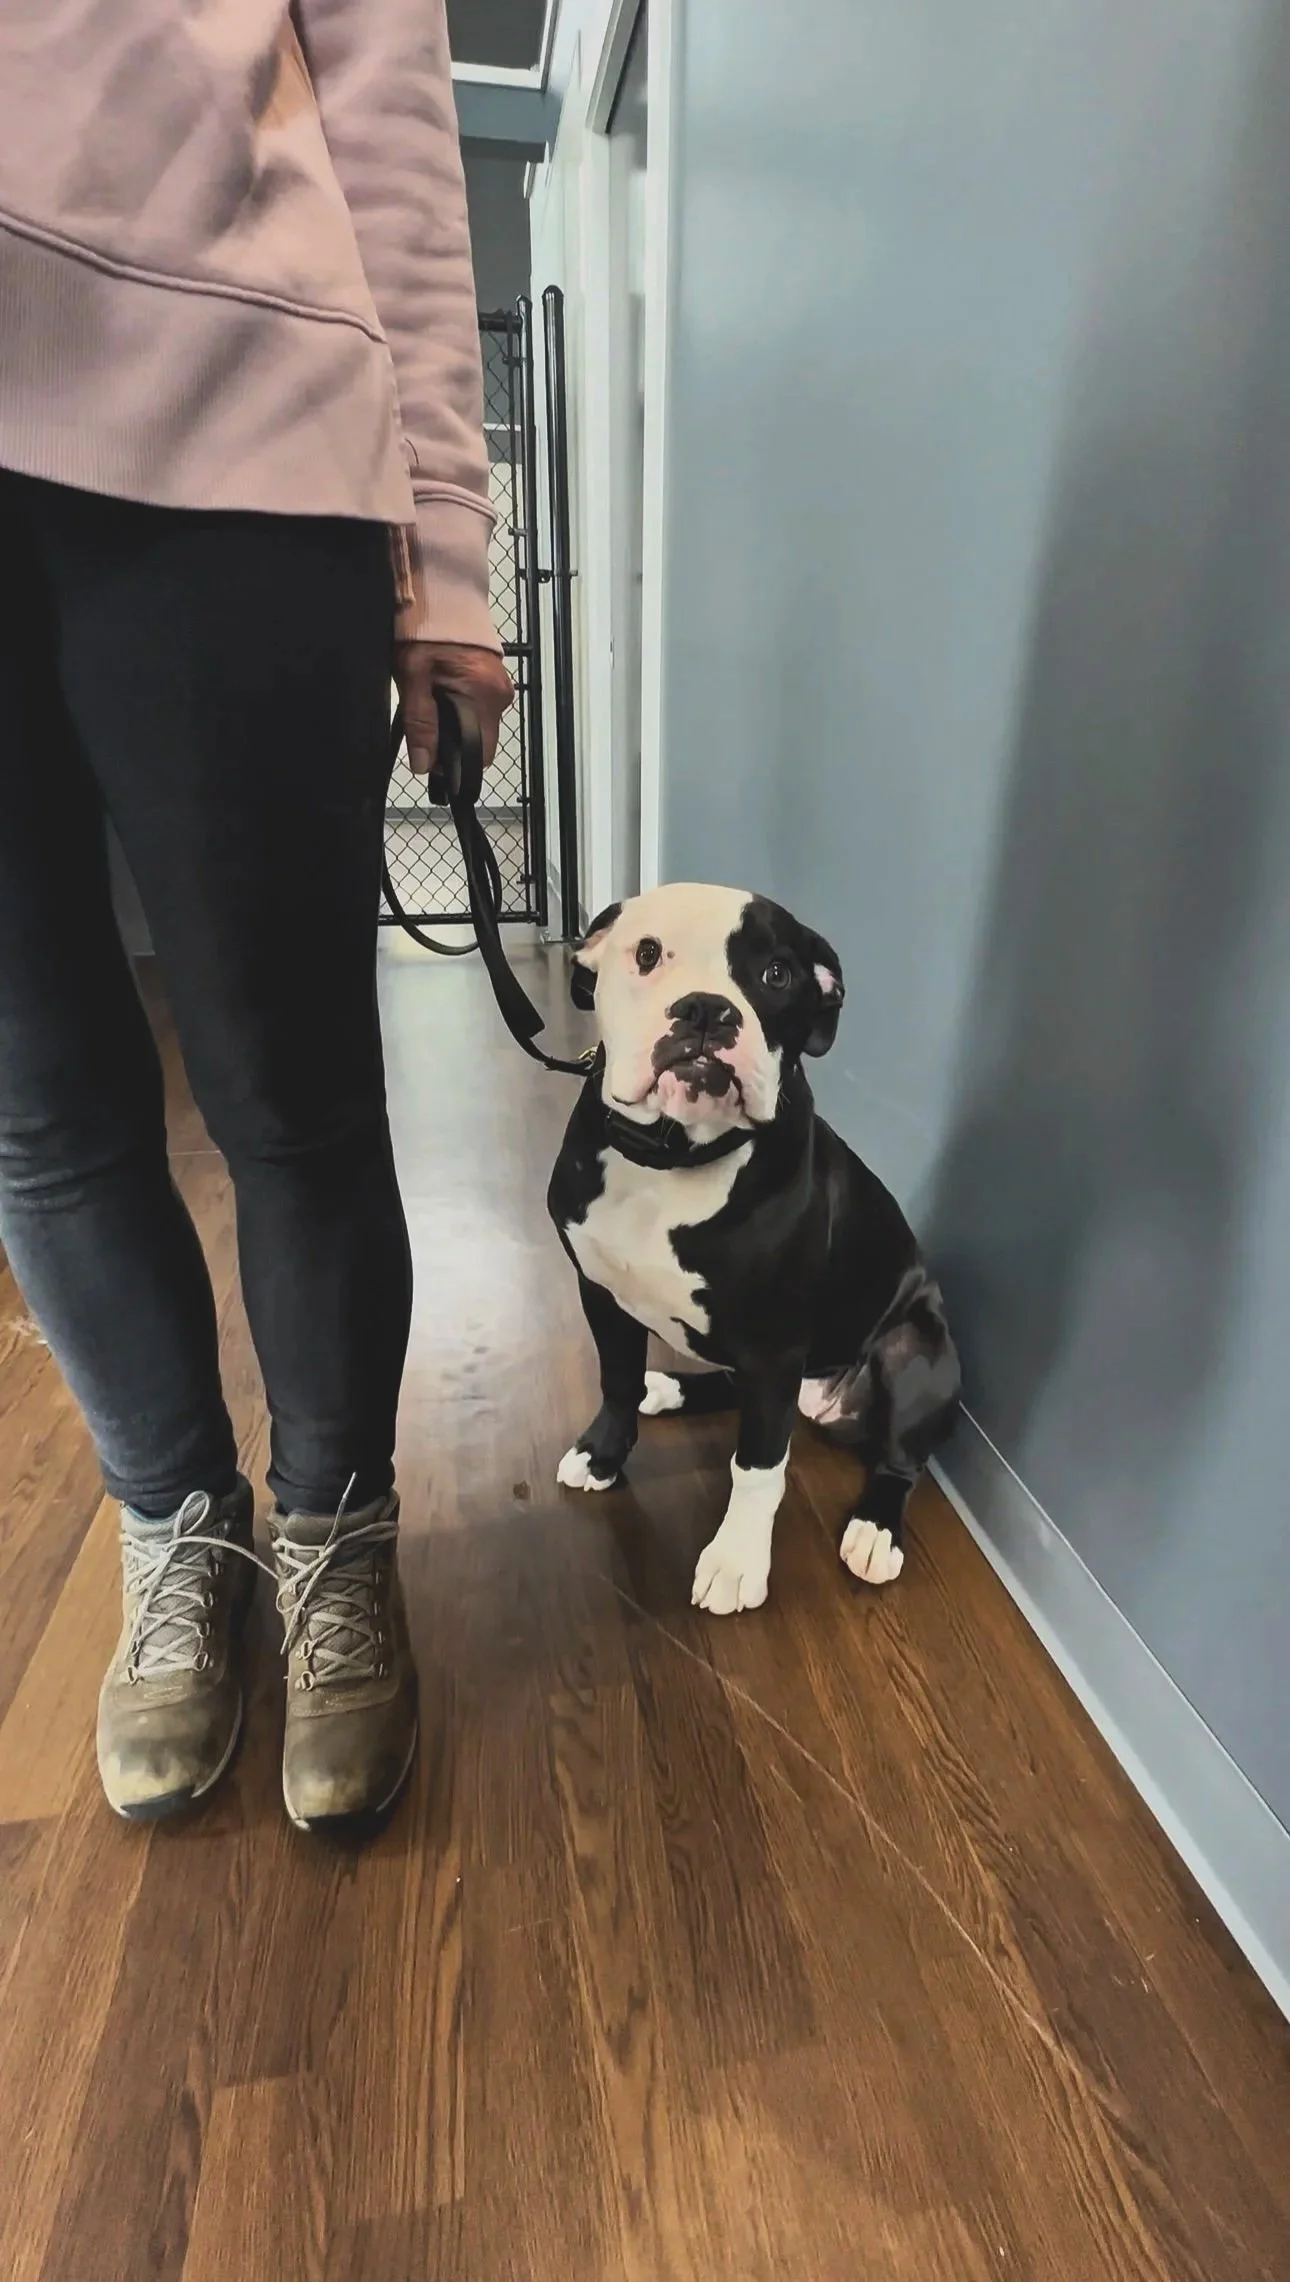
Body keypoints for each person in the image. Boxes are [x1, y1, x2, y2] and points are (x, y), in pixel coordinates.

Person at [0, 2, 512, 1829]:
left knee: (289, 1087)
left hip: (232, 426)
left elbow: (391, 112)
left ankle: (335, 1533)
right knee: (33, 1104)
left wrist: (443, 549)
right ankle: (178, 1529)